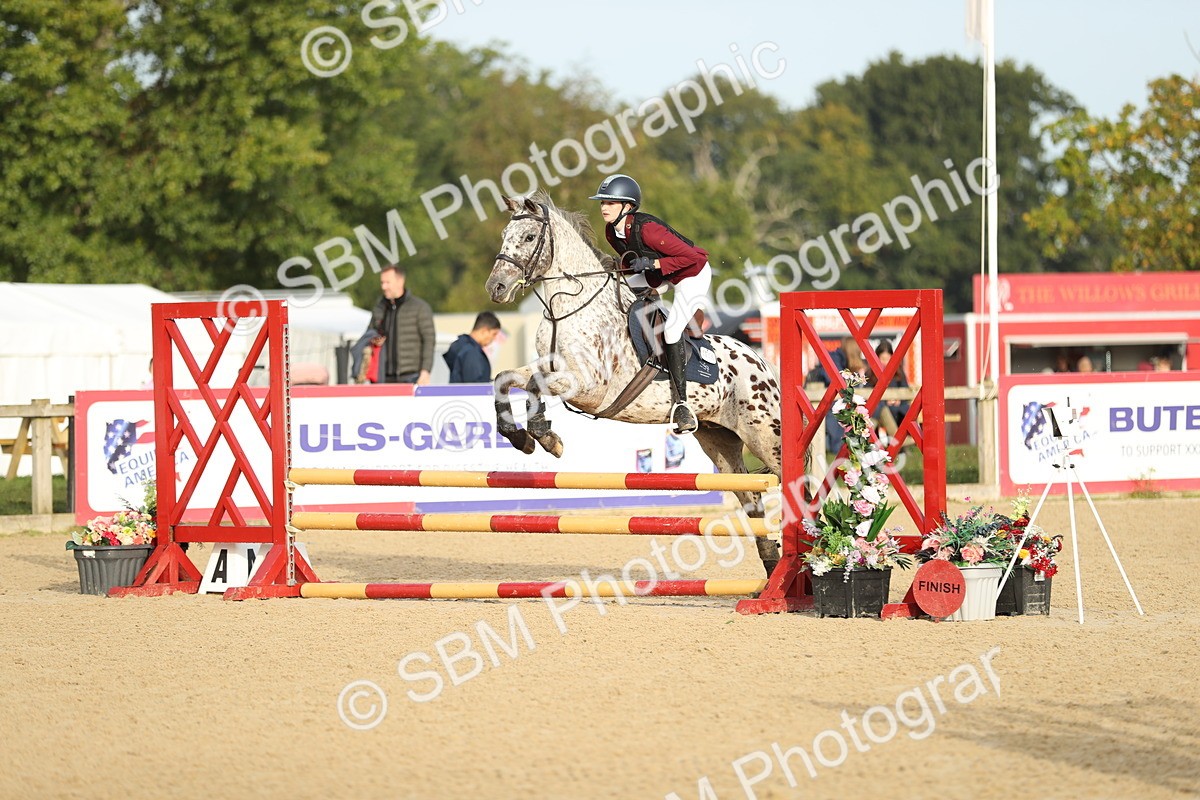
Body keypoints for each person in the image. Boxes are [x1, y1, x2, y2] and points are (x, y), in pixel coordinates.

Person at [590, 174, 711, 434]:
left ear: (628, 206)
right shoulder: (611, 231)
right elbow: (628, 260)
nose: (603, 208)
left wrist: (655, 264)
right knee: (618, 289)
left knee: (671, 330)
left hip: (692, 273)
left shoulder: (648, 229)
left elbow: (693, 258)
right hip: (662, 275)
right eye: (602, 202)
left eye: (611, 203)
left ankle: (682, 404)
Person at [357, 264, 435, 384]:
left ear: (400, 281)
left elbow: (429, 341)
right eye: (382, 282)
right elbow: (369, 335)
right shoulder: (379, 308)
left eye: (387, 282)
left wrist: (425, 371)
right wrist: (374, 340)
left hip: (411, 376)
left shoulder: (420, 308)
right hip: (382, 377)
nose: (383, 287)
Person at [444, 312, 502, 383]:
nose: (494, 338)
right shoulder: (471, 352)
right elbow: (474, 386)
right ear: (484, 331)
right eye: (494, 334)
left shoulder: (460, 345)